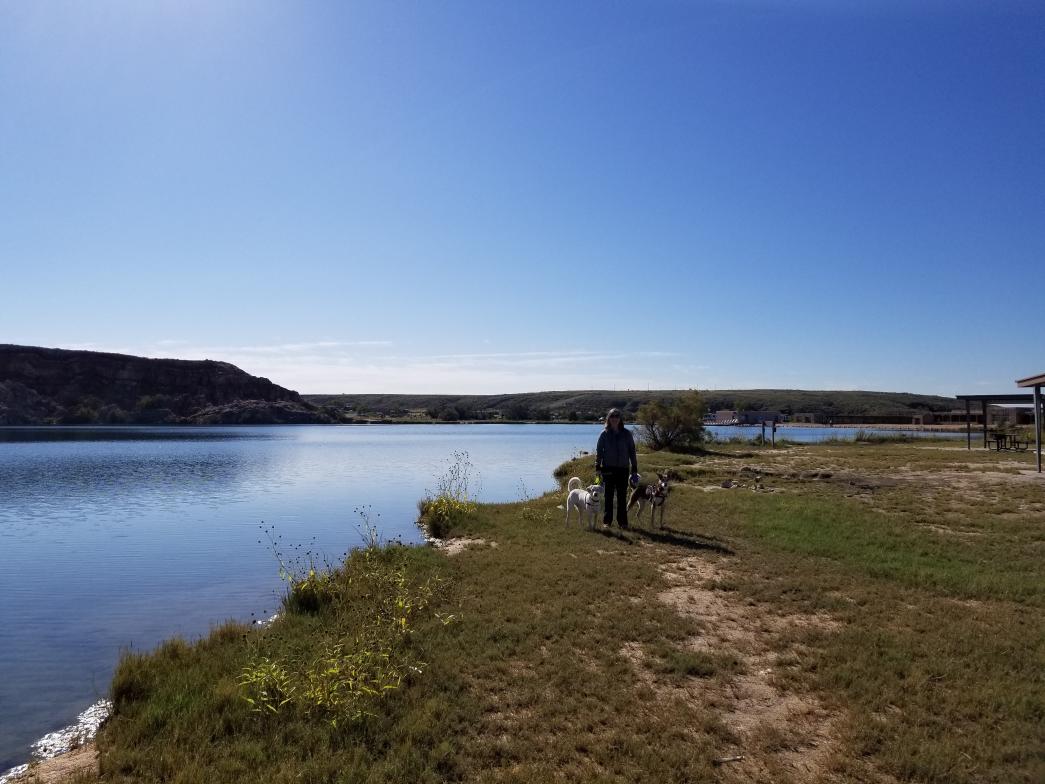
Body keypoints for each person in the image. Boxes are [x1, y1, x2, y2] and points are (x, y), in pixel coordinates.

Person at [595, 407, 639, 528]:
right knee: (608, 496)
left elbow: (632, 451)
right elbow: (599, 452)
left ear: (620, 419)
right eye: (612, 416)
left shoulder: (627, 434)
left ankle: (623, 522)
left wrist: (634, 467)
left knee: (621, 496)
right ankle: (607, 522)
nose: (614, 418)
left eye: (617, 416)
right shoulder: (604, 434)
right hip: (608, 469)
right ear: (608, 419)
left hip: (623, 469)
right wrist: (597, 467)